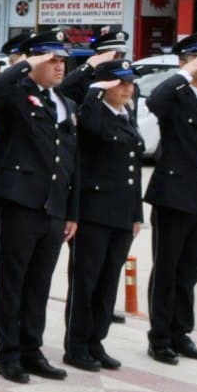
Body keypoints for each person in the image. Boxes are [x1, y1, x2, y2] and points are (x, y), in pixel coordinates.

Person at [0, 27, 78, 384]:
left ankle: (32, 350)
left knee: (39, 284)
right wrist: (24, 65)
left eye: (62, 60)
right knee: (12, 282)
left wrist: (71, 211)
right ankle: (9, 355)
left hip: (53, 207)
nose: (59, 66)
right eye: (52, 59)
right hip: (19, 203)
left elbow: (71, 161)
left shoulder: (64, 103)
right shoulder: (15, 95)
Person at [143, 32, 197, 365]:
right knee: (167, 269)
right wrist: (184, 73)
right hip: (173, 197)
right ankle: (160, 338)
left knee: (189, 272)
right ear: (183, 62)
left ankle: (181, 334)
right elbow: (154, 101)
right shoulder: (175, 96)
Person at [64, 58, 143, 372]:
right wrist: (95, 89)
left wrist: (136, 214)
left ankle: (96, 340)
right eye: (120, 83)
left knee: (109, 282)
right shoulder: (93, 113)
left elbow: (133, 170)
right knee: (86, 281)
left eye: (130, 83)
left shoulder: (126, 115)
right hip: (93, 213)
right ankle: (77, 346)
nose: (127, 88)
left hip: (122, 213)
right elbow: (91, 130)